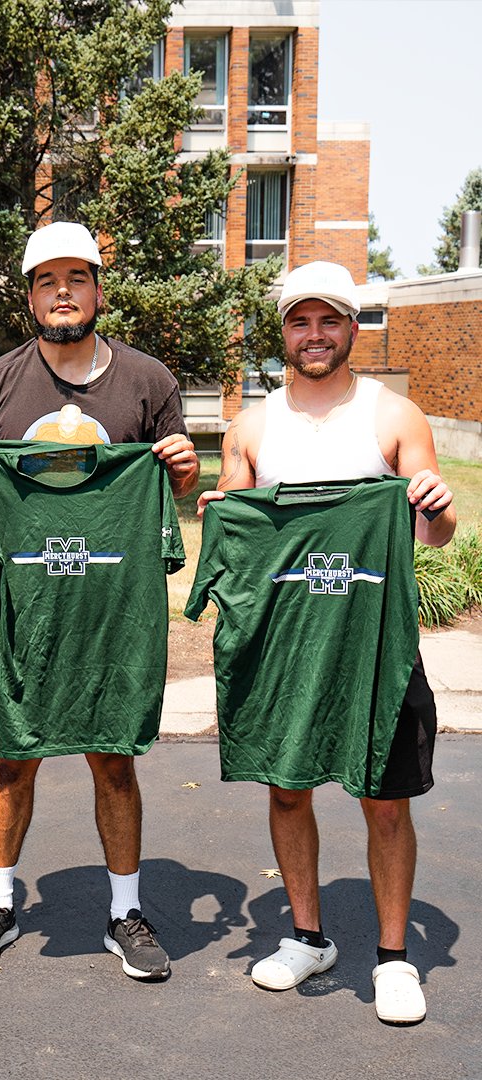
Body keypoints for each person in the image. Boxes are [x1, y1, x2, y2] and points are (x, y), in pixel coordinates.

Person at [198, 260, 455, 1024]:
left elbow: (436, 535)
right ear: (282, 332)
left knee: (384, 801)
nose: (314, 335)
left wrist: (436, 509)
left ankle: (394, 958)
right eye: (300, 321)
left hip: (375, 644)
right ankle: (308, 936)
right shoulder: (250, 427)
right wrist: (220, 514)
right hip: (284, 647)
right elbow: (240, 541)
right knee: (287, 788)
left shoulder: (393, 416)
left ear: (352, 327)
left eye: (329, 320)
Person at [0, 222, 199, 977]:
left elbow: (168, 497)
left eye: (76, 279)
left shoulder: (149, 382)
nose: (63, 293)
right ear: (29, 296)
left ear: (97, 289)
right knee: (15, 755)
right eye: (47, 281)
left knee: (113, 760)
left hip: (112, 609)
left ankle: (125, 910)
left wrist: (181, 469)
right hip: (23, 608)